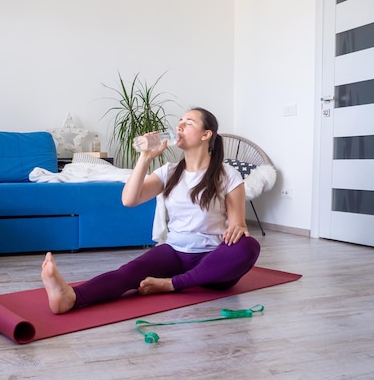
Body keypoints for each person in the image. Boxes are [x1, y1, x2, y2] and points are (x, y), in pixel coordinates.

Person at [41, 107, 261, 314]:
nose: (180, 127)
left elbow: (237, 224)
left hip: (213, 259)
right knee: (129, 272)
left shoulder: (227, 174)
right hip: (175, 252)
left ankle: (172, 284)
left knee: (248, 247)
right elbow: (129, 199)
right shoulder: (170, 171)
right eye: (180, 122)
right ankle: (70, 297)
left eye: (189, 122)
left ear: (206, 135)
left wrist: (238, 227)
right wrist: (145, 158)